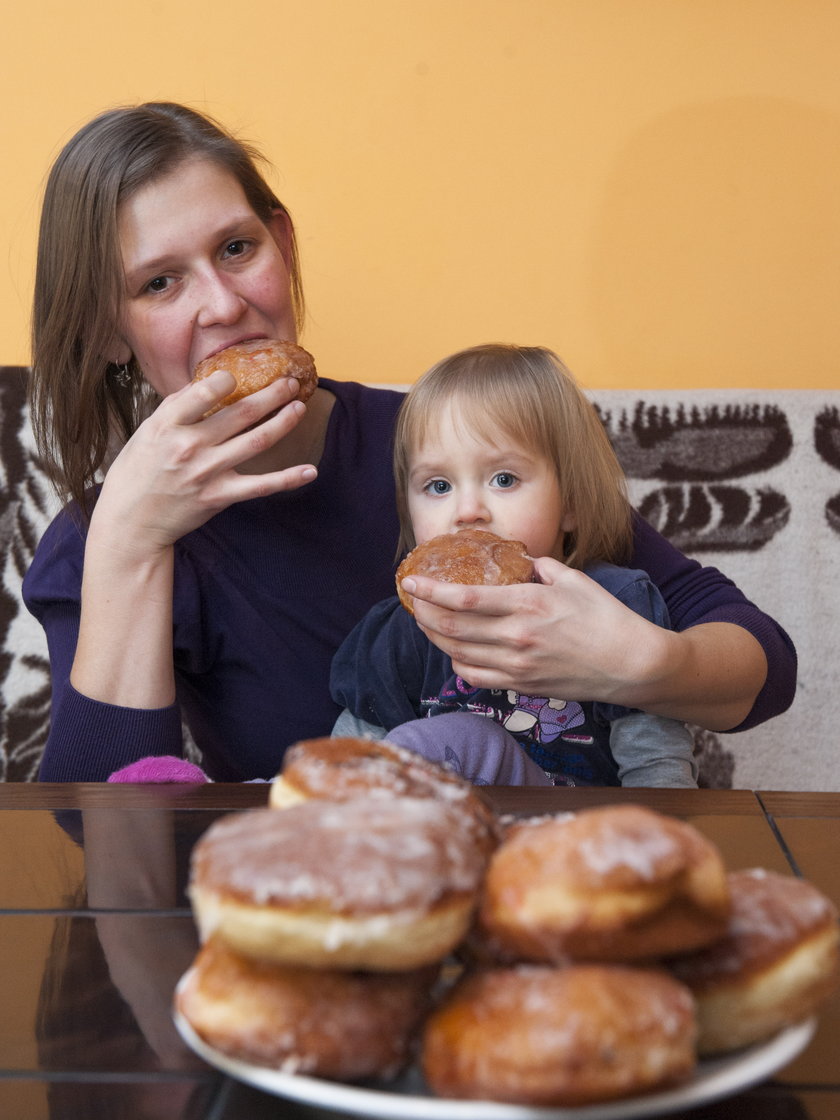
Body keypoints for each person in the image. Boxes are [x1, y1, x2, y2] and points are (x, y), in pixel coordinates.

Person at [23, 101, 796, 783]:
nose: (224, 305)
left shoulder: (446, 451)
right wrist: (130, 532)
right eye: (159, 282)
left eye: (236, 248)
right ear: (106, 332)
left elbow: (765, 669)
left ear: (282, 244)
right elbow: (97, 832)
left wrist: (642, 665)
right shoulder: (97, 546)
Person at [331, 344, 700, 786]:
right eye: (438, 485)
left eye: (503, 479)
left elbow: (657, 768)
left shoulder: (615, 606)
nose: (467, 510)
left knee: (464, 737)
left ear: (572, 501)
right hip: (447, 839)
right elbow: (346, 761)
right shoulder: (399, 631)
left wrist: (655, 845)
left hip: (574, 838)